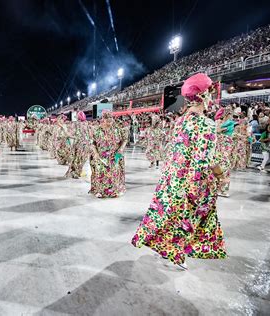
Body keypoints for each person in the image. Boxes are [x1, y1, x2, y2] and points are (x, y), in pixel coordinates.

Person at [131, 73, 227, 270]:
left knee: (171, 215)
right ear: (203, 96)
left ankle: (170, 249)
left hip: (173, 178)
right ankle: (178, 254)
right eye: (209, 92)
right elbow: (207, 159)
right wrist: (220, 175)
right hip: (194, 180)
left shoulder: (180, 121)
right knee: (191, 218)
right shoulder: (207, 124)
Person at [89, 111, 127, 198]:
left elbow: (124, 140)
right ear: (103, 120)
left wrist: (121, 149)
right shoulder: (97, 130)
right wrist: (95, 153)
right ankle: (99, 190)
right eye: (107, 121)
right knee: (100, 173)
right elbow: (91, 143)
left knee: (114, 173)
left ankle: (114, 190)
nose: (109, 123)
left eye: (111, 120)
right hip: (100, 156)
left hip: (114, 156)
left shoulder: (117, 130)